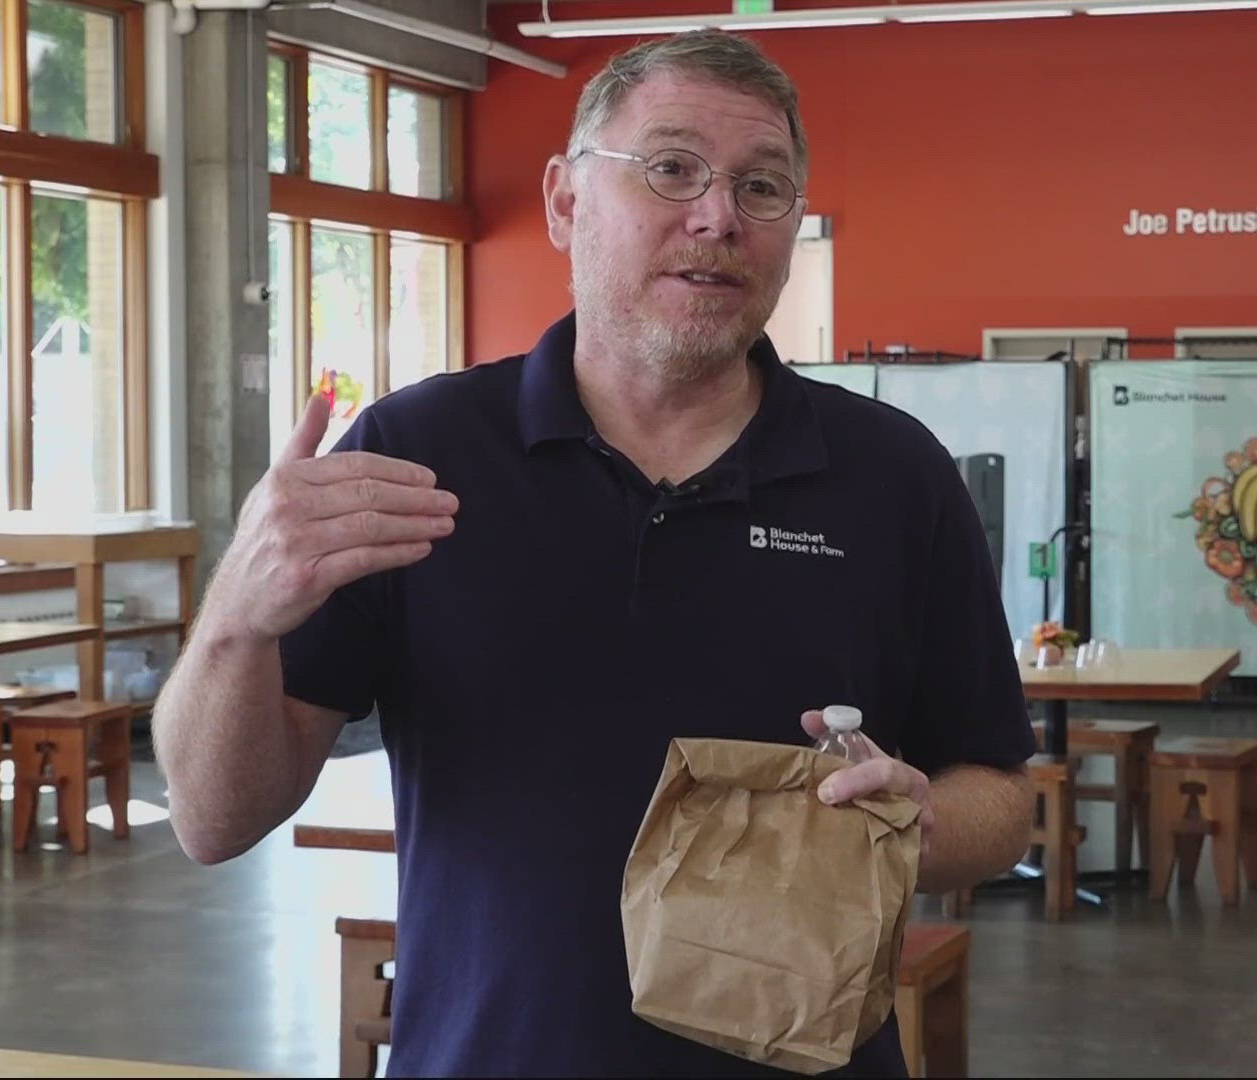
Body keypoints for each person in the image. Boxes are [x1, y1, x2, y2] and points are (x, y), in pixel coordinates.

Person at [155, 29, 1037, 1077]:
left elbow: (1001, 794)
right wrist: (235, 625)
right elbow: (213, 823)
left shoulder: (891, 473)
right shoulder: (418, 457)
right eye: (671, 170)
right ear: (566, 200)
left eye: (763, 188)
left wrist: (923, 823)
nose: (718, 216)